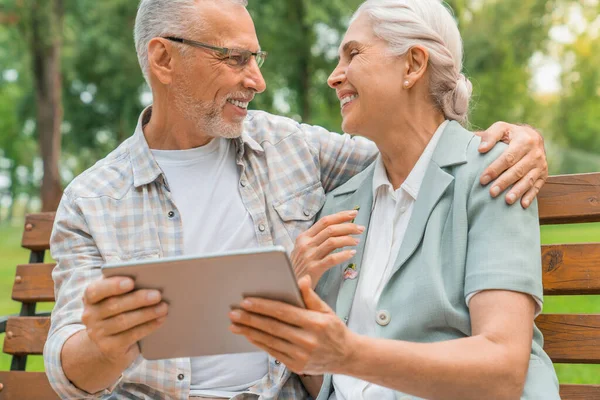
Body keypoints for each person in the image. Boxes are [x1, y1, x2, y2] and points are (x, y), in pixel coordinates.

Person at [44, 0, 549, 399]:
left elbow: (417, 147)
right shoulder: (92, 200)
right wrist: (105, 346)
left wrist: (518, 138)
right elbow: (70, 369)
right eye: (235, 58)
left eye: (255, 59)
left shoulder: (289, 147)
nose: (257, 81)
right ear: (163, 59)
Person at [228, 1, 560, 399]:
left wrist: (347, 354)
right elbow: (331, 382)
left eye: (353, 53)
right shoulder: (341, 204)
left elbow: (501, 369)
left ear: (413, 65)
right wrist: (304, 316)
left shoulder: (497, 171)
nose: (334, 77)